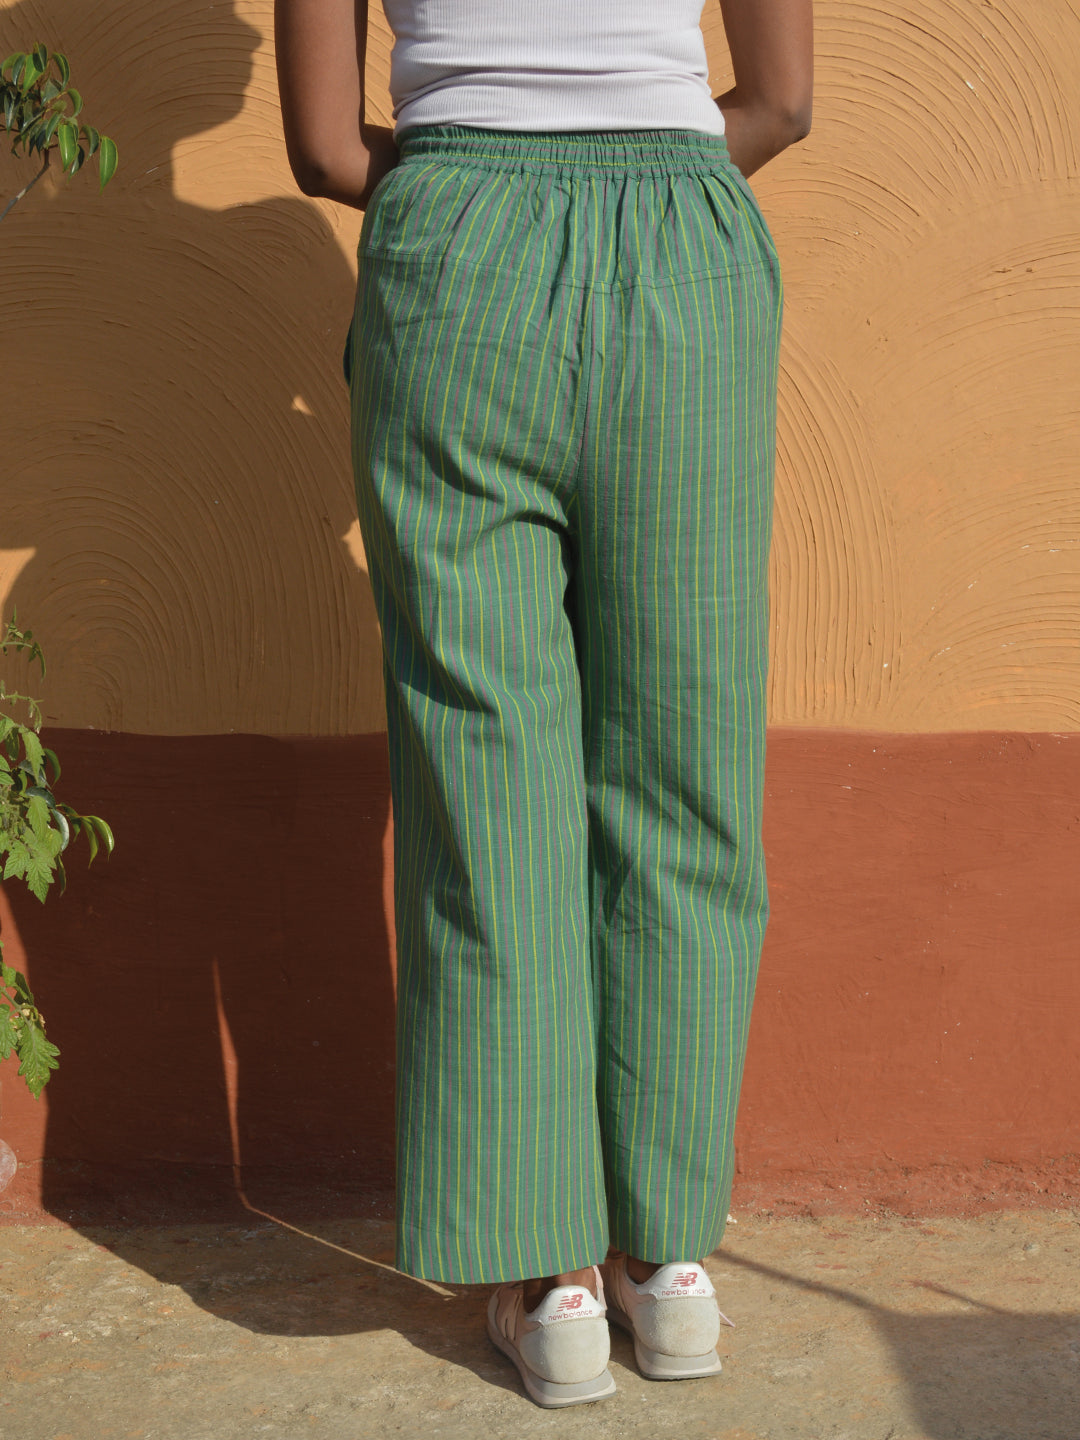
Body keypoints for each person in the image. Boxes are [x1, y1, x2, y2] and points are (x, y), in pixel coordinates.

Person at [275, 0, 813, 1409]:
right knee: (685, 767)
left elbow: (325, 147)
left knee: (485, 777)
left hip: (455, 245)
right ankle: (668, 1267)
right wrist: (642, 164)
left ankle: (550, 1282)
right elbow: (781, 102)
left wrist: (475, 179)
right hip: (685, 253)